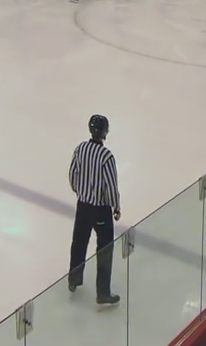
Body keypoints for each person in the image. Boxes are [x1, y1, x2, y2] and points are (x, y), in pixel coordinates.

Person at [67, 114, 122, 306]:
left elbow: (72, 174)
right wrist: (115, 206)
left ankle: (73, 280)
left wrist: (81, 193)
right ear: (105, 132)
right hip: (100, 210)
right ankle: (103, 292)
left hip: (83, 206)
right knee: (105, 248)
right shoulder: (106, 157)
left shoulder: (80, 149)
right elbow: (110, 185)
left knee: (79, 243)